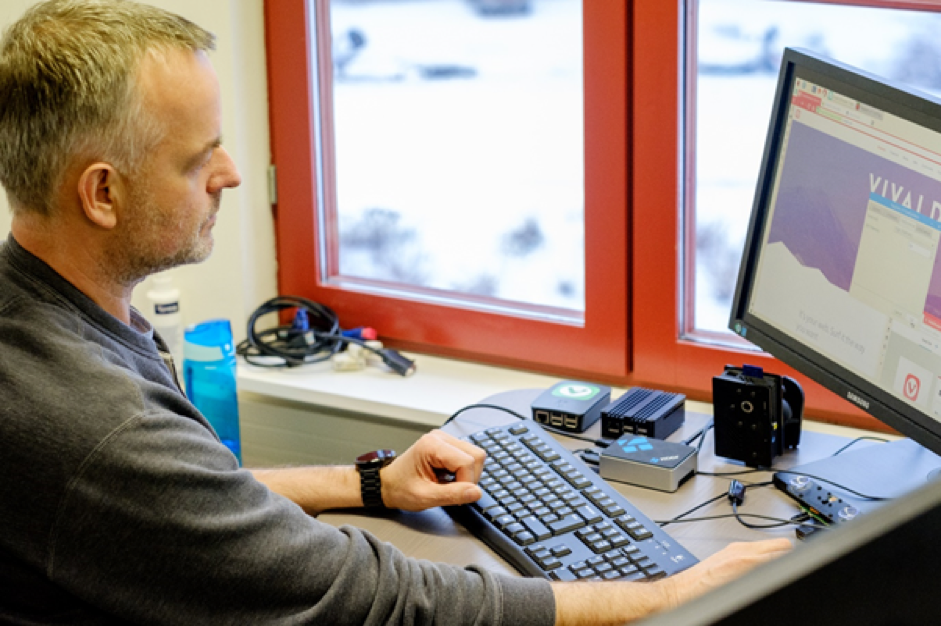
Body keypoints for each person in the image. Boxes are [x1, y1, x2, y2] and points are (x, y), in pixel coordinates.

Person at [0, 1, 791, 624]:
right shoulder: (97, 424)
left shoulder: (38, 311)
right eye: (197, 156)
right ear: (102, 193)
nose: (231, 173)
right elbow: (367, 600)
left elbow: (190, 503)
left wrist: (369, 483)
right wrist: (663, 597)